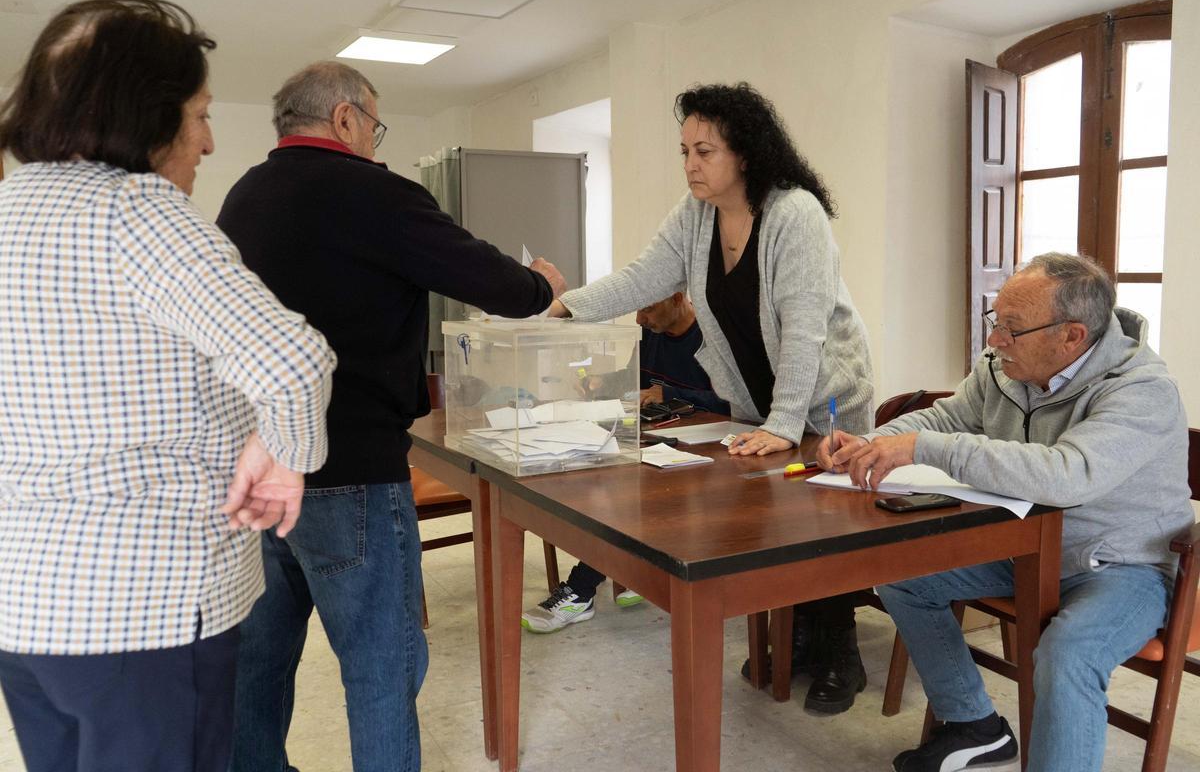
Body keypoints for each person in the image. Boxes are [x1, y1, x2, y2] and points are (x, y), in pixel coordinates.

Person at [0, 0, 336, 772]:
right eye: (199, 114)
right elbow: (293, 360)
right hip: (142, 607)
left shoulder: (8, 208)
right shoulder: (136, 213)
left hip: (25, 604)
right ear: (142, 114)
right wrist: (283, 458)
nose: (209, 141)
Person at [216, 61, 565, 772]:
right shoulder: (375, 194)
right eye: (373, 126)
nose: (375, 141)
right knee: (379, 674)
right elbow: (489, 278)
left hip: (253, 475)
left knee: (254, 673)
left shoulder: (242, 197)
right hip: (354, 477)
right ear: (345, 119)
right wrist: (541, 284)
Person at [548, 82, 875, 715]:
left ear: (745, 153)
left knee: (824, 522)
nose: (692, 165)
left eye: (705, 151)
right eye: (685, 151)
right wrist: (565, 309)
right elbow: (644, 275)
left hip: (823, 396)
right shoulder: (696, 213)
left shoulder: (795, 212)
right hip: (757, 396)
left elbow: (805, 328)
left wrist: (784, 424)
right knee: (778, 520)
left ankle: (841, 653)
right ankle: (799, 637)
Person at [819, 253, 1194, 772]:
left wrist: (927, 447)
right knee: (903, 574)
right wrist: (870, 442)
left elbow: (1068, 475)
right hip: (1028, 548)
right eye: (996, 323)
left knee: (1067, 656)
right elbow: (947, 415)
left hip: (1122, 566)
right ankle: (975, 725)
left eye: (1011, 329)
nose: (995, 341)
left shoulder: (1141, 391)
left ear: (1072, 336)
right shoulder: (1007, 368)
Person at [521, 292, 731, 633]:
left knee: (621, 496)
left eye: (647, 309)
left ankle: (581, 590)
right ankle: (632, 567)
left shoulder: (714, 336)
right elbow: (638, 378)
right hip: (660, 440)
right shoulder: (652, 333)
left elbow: (734, 403)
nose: (639, 320)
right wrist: (605, 381)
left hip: (709, 452)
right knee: (599, 478)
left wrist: (674, 396)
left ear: (678, 299)